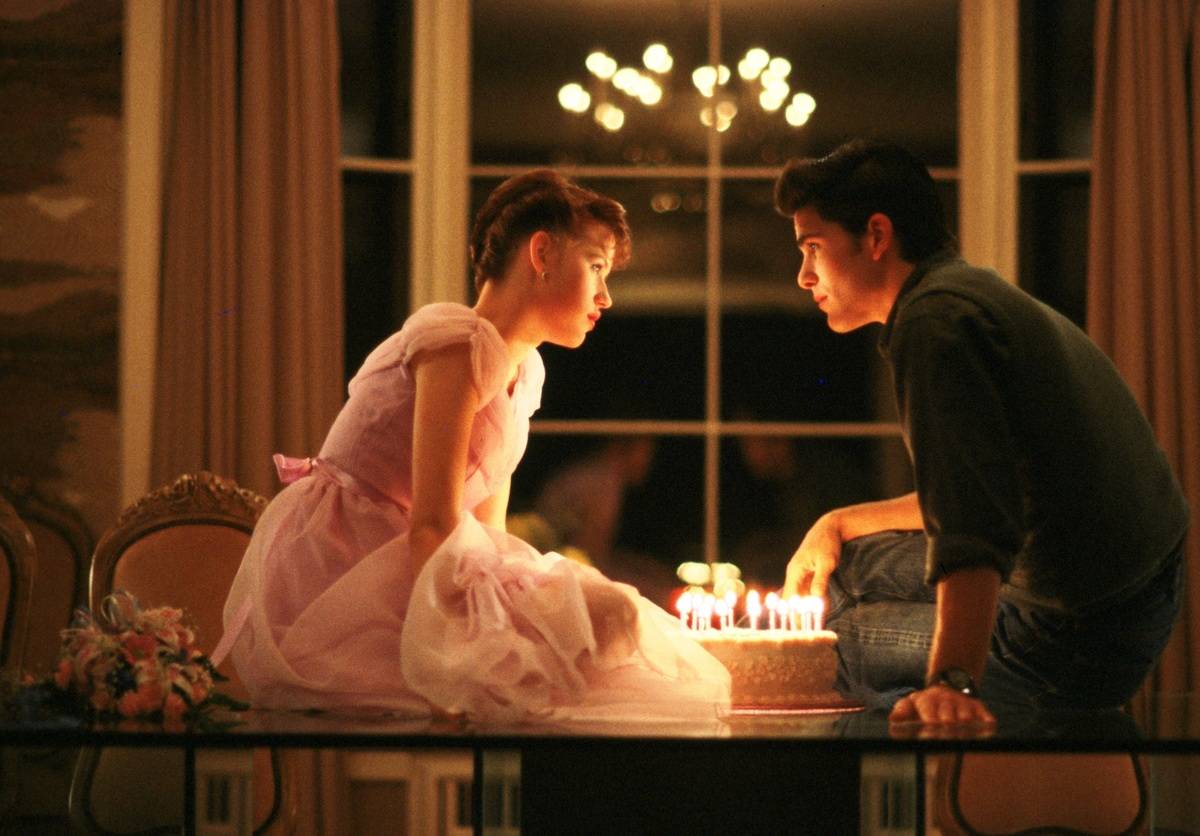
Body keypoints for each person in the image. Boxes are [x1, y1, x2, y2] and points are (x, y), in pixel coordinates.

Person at [216, 170, 729, 723]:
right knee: (585, 634)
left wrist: (518, 617)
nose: (605, 296)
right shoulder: (456, 342)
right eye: (596, 267)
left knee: (609, 620)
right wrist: (471, 651)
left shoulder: (522, 372)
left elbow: (488, 535)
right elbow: (432, 525)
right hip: (347, 568)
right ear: (541, 253)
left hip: (424, 557)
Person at [774, 139, 1189, 725]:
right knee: (842, 571)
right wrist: (838, 522)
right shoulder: (960, 290)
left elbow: (973, 525)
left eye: (814, 248)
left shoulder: (935, 326)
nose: (803, 276)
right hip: (1131, 588)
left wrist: (952, 681)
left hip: (1077, 630)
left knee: (825, 648)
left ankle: (1023, 710)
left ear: (876, 236)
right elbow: (986, 487)